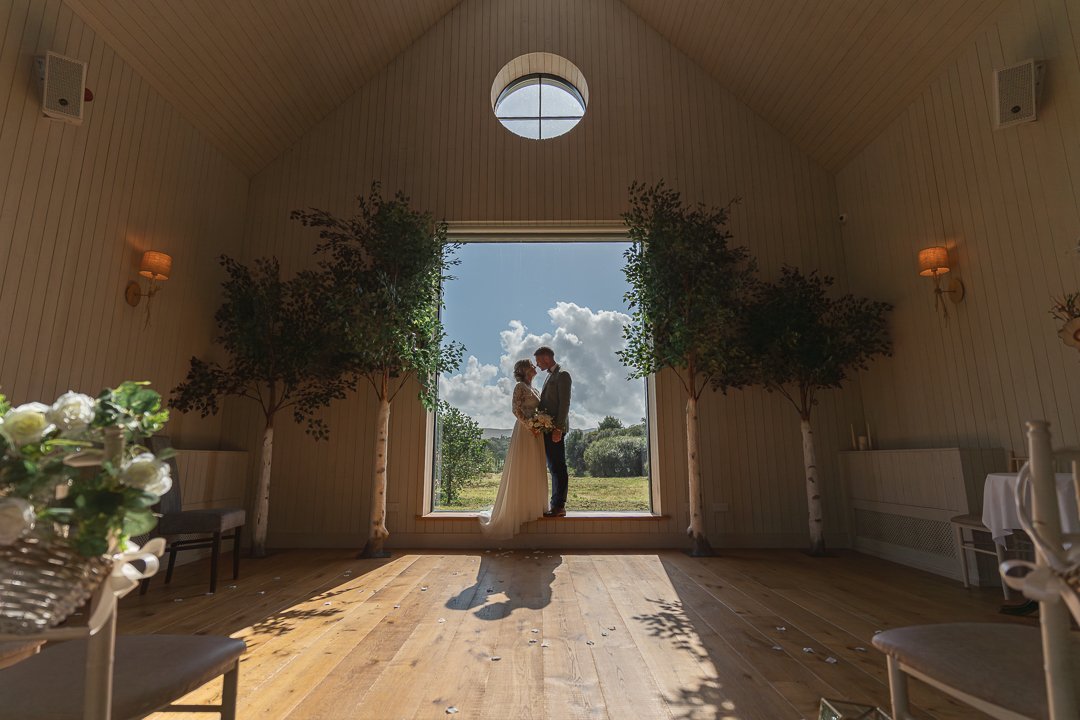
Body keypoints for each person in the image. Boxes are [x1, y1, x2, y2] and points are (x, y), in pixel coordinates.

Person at [478, 359, 548, 539]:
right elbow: (515, 410)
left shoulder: (534, 389)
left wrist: (541, 423)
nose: (534, 367)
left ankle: (532, 509)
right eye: (531, 365)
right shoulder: (520, 387)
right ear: (524, 370)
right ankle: (516, 511)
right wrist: (530, 426)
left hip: (536, 432)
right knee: (522, 467)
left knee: (534, 468)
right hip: (525, 432)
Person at [534, 346, 571, 517]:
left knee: (558, 467)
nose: (537, 364)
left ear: (546, 358)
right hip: (547, 428)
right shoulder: (549, 375)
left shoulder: (562, 375)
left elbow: (564, 404)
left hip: (555, 428)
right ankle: (555, 504)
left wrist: (558, 428)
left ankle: (559, 506)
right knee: (553, 466)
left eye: (538, 361)